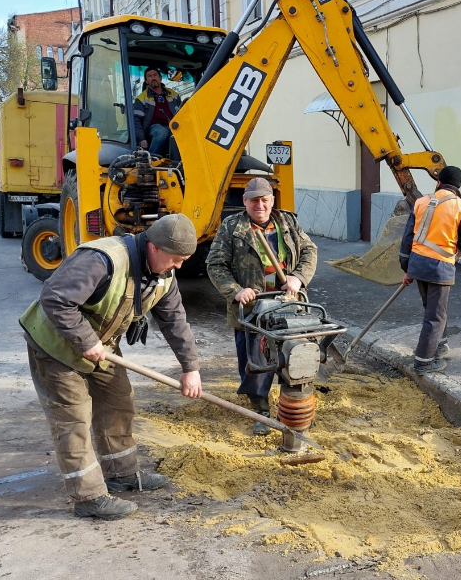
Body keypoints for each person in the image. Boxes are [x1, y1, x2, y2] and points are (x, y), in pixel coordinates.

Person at [19, 214, 202, 521]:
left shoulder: (163, 275)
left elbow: (175, 321)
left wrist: (190, 367)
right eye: (177, 259)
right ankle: (88, 497)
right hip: (54, 346)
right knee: (73, 419)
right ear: (156, 248)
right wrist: (86, 340)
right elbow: (55, 299)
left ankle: (122, 473)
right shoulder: (102, 260)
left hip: (99, 347)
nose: (179, 267)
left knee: (118, 401)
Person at [206, 178, 317, 435]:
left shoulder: (287, 222)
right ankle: (259, 408)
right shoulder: (232, 227)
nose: (260, 205)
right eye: (254, 200)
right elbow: (215, 265)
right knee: (255, 358)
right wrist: (236, 291)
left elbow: (310, 250)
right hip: (253, 306)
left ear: (272, 200)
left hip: (286, 302)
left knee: (294, 352)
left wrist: (297, 277)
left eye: (264, 199)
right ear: (244, 201)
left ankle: (293, 402)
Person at [399, 166, 461, 375]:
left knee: (433, 310)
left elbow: (407, 240)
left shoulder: (420, 203)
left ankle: (439, 346)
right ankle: (423, 361)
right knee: (436, 317)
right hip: (440, 268)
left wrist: (406, 269)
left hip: (417, 265)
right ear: (458, 187)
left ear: (438, 183)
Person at [133, 67, 181, 155]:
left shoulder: (174, 95)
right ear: (146, 81)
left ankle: (178, 162)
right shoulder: (141, 99)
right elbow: (136, 121)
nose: (153, 78)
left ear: (160, 78)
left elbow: (182, 114)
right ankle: (151, 158)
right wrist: (142, 138)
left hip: (173, 126)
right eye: (149, 76)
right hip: (153, 127)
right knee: (161, 132)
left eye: (155, 75)